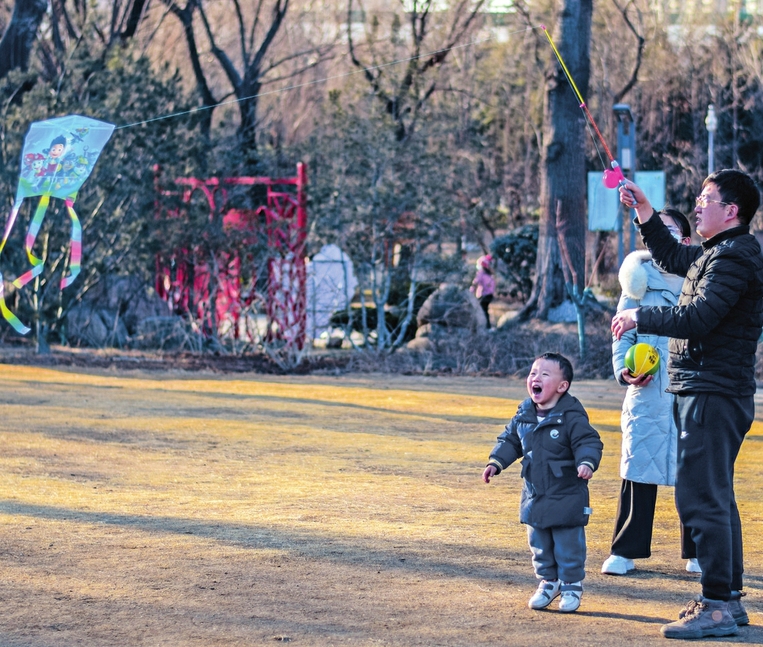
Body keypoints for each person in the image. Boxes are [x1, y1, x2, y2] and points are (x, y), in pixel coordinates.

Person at [612, 169, 763, 640]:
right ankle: (728, 602)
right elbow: (674, 255)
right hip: (709, 389)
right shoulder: (719, 252)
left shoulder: (736, 257)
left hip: (713, 393)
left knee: (700, 496)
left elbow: (698, 318)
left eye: (706, 198)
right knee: (714, 494)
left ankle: (716, 604)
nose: (698, 205)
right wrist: (644, 211)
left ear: (731, 211)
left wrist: (639, 315)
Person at [602, 209, 700, 577]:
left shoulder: (700, 281)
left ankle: (697, 551)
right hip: (647, 392)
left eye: (670, 230)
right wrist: (624, 372)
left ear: (685, 242)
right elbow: (621, 335)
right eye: (655, 231)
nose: (659, 236)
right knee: (638, 467)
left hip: (691, 390)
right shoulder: (636, 281)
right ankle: (624, 550)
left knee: (694, 473)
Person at [482, 352, 603, 613]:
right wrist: (495, 463)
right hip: (535, 493)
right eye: (533, 373)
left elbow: (588, 442)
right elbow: (510, 441)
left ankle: (571, 585)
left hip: (566, 493)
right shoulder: (524, 414)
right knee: (539, 543)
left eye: (545, 374)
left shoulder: (571, 416)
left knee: (568, 543)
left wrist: (586, 462)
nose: (535, 378)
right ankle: (548, 581)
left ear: (562, 386)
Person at [470, 254, 495, 328]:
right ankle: (487, 326)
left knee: (482, 311)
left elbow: (475, 282)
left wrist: (470, 291)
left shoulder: (481, 273)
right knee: (484, 310)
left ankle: (485, 326)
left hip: (483, 295)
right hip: (489, 295)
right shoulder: (489, 274)